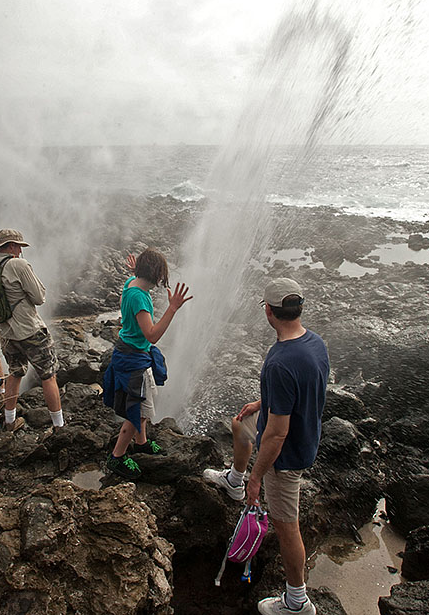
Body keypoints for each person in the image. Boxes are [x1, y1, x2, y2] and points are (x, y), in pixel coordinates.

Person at [203, 277, 328, 615]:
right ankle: (233, 480)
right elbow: (299, 390)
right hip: (303, 432)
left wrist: (257, 477)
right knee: (240, 424)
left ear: (269, 312)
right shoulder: (314, 344)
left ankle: (297, 601)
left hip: (287, 456)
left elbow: (276, 435)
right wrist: (263, 402)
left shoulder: (279, 362)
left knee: (287, 527)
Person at [102, 249, 192, 480]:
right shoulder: (140, 298)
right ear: (156, 275)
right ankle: (117, 456)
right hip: (133, 360)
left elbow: (135, 279)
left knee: (141, 404)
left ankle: (141, 443)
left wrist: (135, 270)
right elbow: (151, 335)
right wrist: (172, 309)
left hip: (128, 353)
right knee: (137, 410)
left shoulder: (132, 283)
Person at [0, 228, 62, 431]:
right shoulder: (18, 264)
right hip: (29, 330)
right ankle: (59, 425)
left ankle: (10, 420)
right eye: (19, 247)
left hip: (4, 333)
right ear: (11, 246)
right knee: (48, 375)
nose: (20, 251)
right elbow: (39, 297)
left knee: (15, 372)